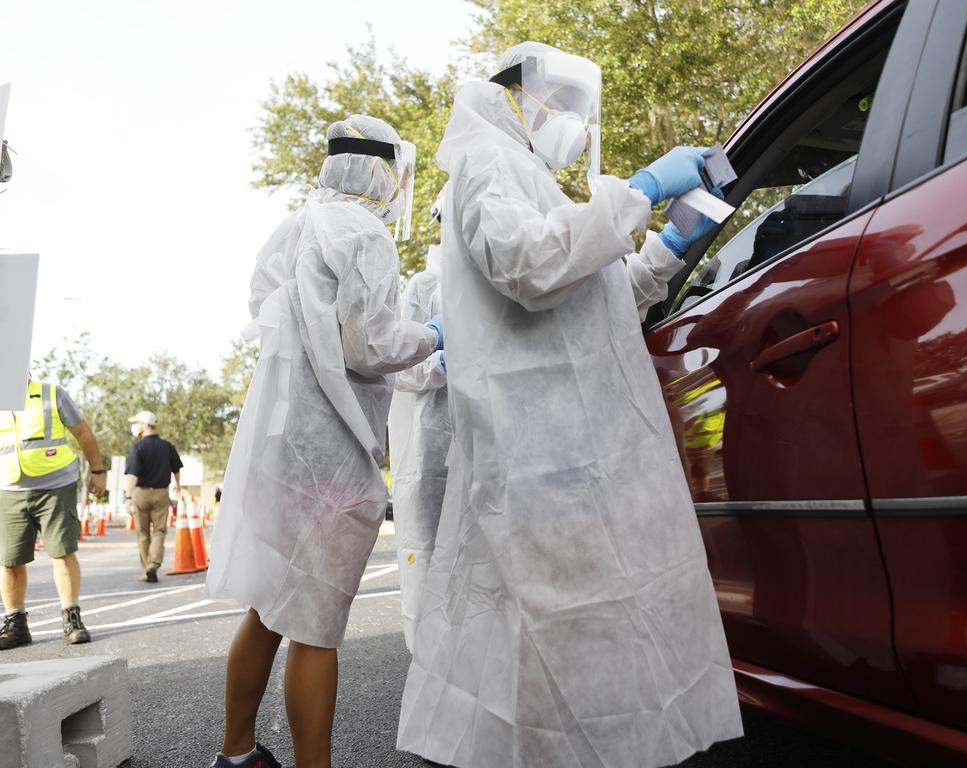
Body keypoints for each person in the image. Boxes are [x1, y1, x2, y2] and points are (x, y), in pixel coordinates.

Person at [397, 42, 743, 768]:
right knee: (553, 638)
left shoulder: (528, 179)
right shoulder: (489, 165)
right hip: (539, 460)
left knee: (568, 638)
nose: (569, 125)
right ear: (513, 99)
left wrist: (671, 248)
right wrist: (642, 190)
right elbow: (533, 267)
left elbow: (599, 296)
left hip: (566, 457)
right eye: (558, 107)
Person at [206, 115, 442, 768]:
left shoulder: (295, 226)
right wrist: (434, 335)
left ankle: (236, 753)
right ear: (377, 169)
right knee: (317, 627)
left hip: (282, 454)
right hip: (331, 461)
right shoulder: (363, 231)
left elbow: (269, 310)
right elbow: (369, 344)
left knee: (269, 611)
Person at [388, 185, 452, 652]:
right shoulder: (423, 288)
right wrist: (442, 362)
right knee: (428, 559)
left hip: (490, 448)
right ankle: (431, 665)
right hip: (431, 453)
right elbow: (398, 366)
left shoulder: (505, 277)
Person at [0, 379, 105, 649]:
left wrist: (97, 471)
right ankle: (16, 624)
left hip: (55, 486)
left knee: (62, 552)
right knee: (9, 561)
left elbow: (82, 431)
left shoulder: (50, 394)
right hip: (8, 489)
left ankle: (72, 618)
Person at [124, 410, 182, 583]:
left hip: (141, 493)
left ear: (145, 424)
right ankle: (154, 564)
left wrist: (128, 497)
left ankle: (146, 567)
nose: (135, 426)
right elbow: (176, 469)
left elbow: (132, 475)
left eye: (137, 423)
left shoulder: (137, 447)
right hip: (161, 493)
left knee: (142, 533)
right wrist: (178, 485)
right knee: (159, 531)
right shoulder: (167, 446)